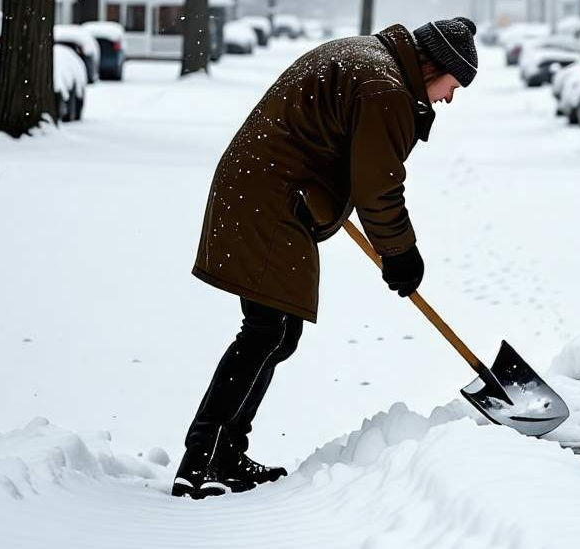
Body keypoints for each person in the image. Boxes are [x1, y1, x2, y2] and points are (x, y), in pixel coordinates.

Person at [172, 17, 479, 500]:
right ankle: (203, 458)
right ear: (432, 66)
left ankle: (222, 453)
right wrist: (401, 253)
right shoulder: (385, 86)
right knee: (266, 331)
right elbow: (378, 186)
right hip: (269, 197)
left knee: (276, 330)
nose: (448, 98)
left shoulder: (373, 62)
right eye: (452, 85)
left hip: (265, 190)